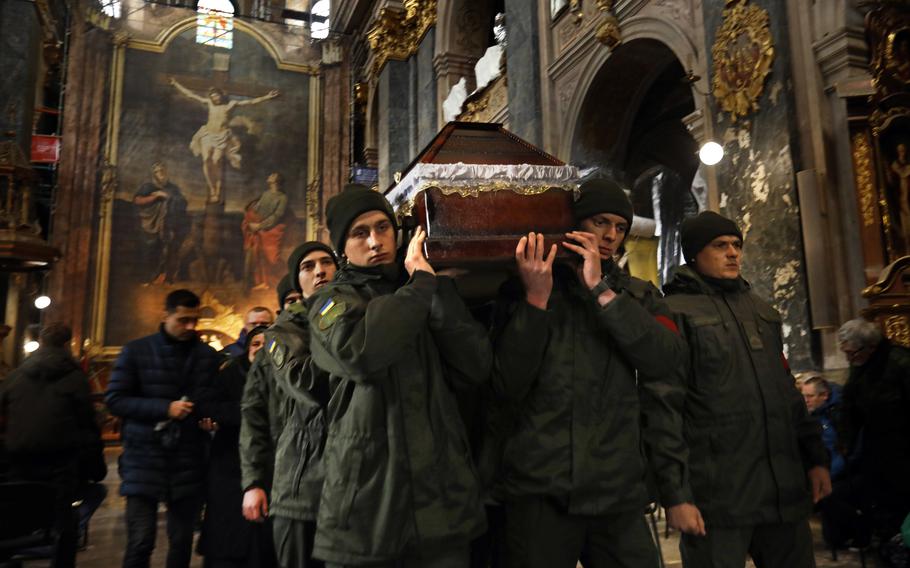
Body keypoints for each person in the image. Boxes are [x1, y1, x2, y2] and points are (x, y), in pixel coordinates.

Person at [489, 178, 686, 568]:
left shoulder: (640, 295)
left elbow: (665, 359)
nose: (611, 235)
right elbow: (507, 383)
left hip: (618, 491)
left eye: (620, 227)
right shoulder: (524, 288)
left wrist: (602, 290)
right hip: (541, 489)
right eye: (600, 222)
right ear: (574, 223)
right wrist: (536, 300)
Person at [306, 184, 492, 567]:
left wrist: (437, 289)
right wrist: (422, 287)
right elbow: (363, 352)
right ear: (343, 246)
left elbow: (475, 366)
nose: (375, 241)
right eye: (360, 233)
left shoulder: (424, 288)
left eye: (382, 227)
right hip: (368, 508)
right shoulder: (330, 303)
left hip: (441, 503)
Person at [662, 211, 831, 567]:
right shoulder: (673, 312)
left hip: (782, 492)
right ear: (694, 253)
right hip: (718, 498)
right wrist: (676, 494)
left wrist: (815, 458)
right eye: (720, 245)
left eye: (736, 245)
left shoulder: (761, 311)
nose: (733, 253)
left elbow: (788, 393)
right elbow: (663, 408)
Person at [106, 289, 221, 568]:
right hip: (144, 459)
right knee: (141, 541)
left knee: (181, 542)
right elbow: (115, 400)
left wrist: (210, 418)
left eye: (195, 320)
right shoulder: (136, 351)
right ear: (165, 315)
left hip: (188, 459)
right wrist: (164, 408)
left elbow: (211, 398)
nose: (191, 327)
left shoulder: (206, 355)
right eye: (183, 320)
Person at [240, 241, 338, 568]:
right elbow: (253, 416)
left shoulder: (350, 320)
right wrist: (253, 481)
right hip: (296, 481)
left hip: (345, 482)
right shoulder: (277, 343)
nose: (319, 271)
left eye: (326, 262)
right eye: (308, 267)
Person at [0, 322, 102, 568]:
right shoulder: (75, 378)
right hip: (60, 463)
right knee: (64, 521)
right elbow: (87, 421)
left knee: (16, 514)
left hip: (16, 460)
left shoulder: (15, 376)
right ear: (67, 344)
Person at [198, 325, 275, 568]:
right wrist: (250, 415)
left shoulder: (284, 375)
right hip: (228, 465)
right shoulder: (229, 374)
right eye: (255, 344)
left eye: (267, 344)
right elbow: (208, 406)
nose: (261, 349)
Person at [837, 317, 910, 540]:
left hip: (903, 444)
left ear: (871, 346)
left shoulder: (900, 362)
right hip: (875, 442)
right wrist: (846, 440)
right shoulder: (860, 363)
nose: (849, 358)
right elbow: (850, 406)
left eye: (853, 353)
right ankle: (888, 542)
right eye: (846, 353)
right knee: (878, 495)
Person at [169, 78, 280, 203]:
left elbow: (250, 102)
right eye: (213, 96)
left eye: (217, 96)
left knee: (216, 161)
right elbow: (191, 95)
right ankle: (212, 189)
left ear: (221, 96)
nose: (215, 98)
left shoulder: (230, 105)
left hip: (222, 136)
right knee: (206, 160)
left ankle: (217, 188)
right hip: (207, 135)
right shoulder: (209, 103)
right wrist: (176, 84)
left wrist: (267, 96)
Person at [133, 162, 188, 285]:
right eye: (158, 171)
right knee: (150, 251)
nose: (161, 173)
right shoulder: (148, 187)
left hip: (167, 224)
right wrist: (156, 196)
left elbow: (182, 202)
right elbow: (137, 200)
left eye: (162, 170)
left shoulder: (172, 188)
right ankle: (147, 279)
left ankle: (164, 278)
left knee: (166, 251)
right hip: (150, 225)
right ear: (154, 174)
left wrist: (173, 199)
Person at [243, 173, 289, 291]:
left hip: (272, 229)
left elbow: (276, 216)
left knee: (271, 256)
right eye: (272, 178)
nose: (272, 180)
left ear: (278, 182)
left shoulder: (283, 197)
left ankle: (276, 280)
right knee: (257, 254)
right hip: (259, 225)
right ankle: (261, 282)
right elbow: (258, 208)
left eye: (275, 178)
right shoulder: (265, 194)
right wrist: (252, 212)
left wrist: (260, 226)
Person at [800, 374, 845, 479]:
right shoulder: (808, 416)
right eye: (803, 396)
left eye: (810, 396)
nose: (805, 400)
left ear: (824, 395)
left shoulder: (838, 414)